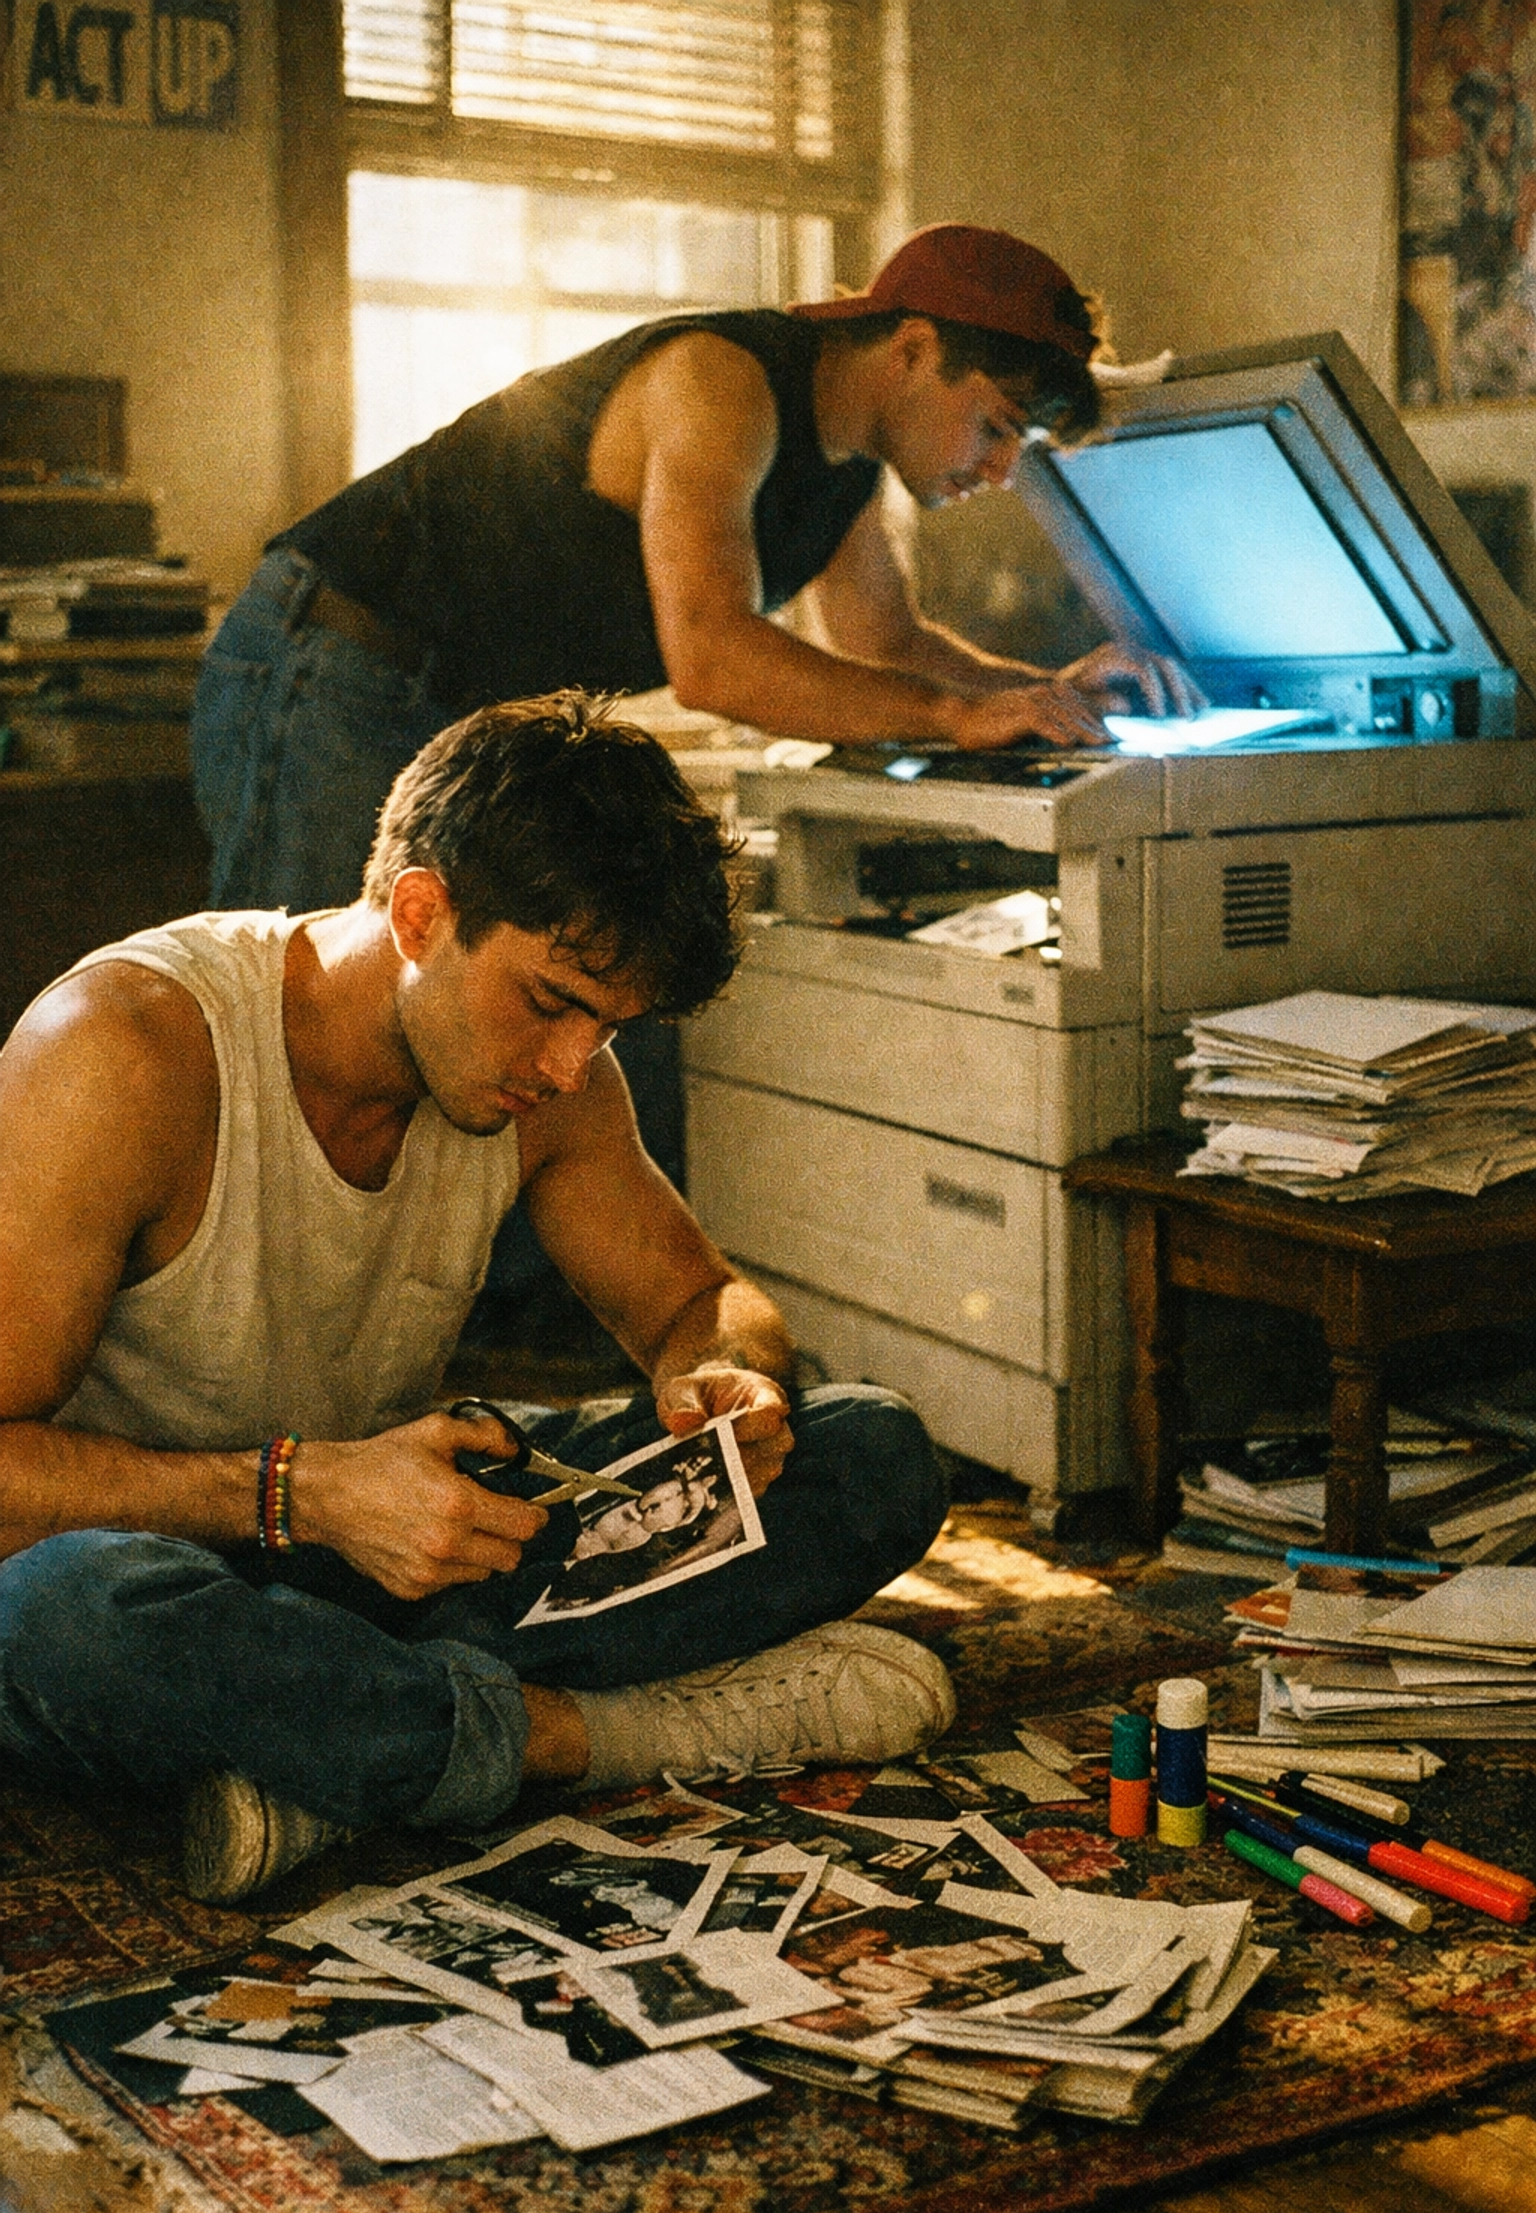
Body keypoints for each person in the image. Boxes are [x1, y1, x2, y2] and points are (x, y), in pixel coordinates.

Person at [0, 695, 952, 1905]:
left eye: (608, 1025)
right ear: (418, 912)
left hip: (382, 1551)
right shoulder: (123, 1049)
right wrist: (299, 1494)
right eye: (552, 1001)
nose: (569, 1066)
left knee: (870, 1447)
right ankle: (590, 1738)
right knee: (60, 1619)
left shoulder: (564, 1081)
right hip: (147, 1561)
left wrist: (726, 1377)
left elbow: (696, 1299)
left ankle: (343, 1745)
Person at [189, 222, 1198, 1307]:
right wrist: (962, 716)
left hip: (448, 707)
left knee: (524, 1041)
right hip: (333, 660)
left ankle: (445, 1351)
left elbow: (888, 645)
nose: (999, 472)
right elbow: (713, 656)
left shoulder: (845, 469)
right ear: (910, 350)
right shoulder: (722, 382)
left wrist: (1040, 697)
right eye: (996, 428)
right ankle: (251, 1367)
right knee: (316, 1042)